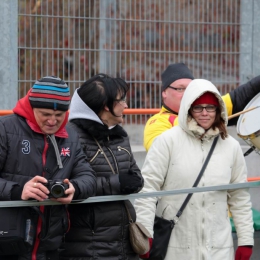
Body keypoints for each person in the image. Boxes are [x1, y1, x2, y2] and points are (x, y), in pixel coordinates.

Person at [135, 79, 254, 260]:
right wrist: (145, 234)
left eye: (210, 107)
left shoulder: (231, 147)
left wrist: (246, 240)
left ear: (218, 109)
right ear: (188, 108)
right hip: (175, 247)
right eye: (198, 107)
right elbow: (148, 189)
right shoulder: (167, 141)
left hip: (219, 248)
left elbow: (240, 197)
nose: (205, 113)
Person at [0, 76, 97, 260]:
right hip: (8, 242)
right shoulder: (5, 129)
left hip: (51, 244)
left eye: (59, 116)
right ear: (31, 107)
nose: (53, 121)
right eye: (45, 114)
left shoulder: (71, 136)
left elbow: (88, 176)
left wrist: (74, 188)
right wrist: (19, 191)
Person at [59, 74, 144, 260]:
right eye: (122, 100)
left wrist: (133, 181)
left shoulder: (119, 136)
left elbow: (135, 175)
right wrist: (117, 183)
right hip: (88, 242)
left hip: (124, 239)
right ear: (106, 105)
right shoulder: (70, 137)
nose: (126, 105)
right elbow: (68, 185)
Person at [144, 62, 260, 151]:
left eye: (190, 89)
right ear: (164, 92)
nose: (187, 94)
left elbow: (240, 97)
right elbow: (160, 153)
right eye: (180, 89)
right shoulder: (156, 123)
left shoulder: (207, 110)